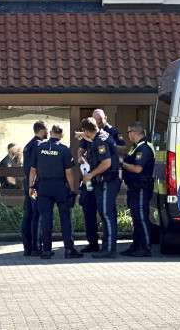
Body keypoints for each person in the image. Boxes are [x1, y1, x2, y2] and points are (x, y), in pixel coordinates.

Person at [27, 124, 81, 259]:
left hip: (44, 187)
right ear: (62, 135)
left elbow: (33, 170)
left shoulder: (39, 148)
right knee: (65, 218)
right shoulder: (64, 150)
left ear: (50, 133)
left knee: (46, 218)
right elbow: (69, 173)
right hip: (60, 186)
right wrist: (72, 190)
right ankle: (69, 249)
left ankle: (46, 251)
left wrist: (31, 187)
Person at [77, 108, 126, 253]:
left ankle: (109, 249)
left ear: (86, 131)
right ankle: (102, 246)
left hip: (107, 180)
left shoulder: (101, 140)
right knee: (99, 211)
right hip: (100, 181)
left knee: (106, 213)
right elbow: (82, 149)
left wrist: (90, 175)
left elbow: (107, 163)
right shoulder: (97, 137)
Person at [118, 121, 156, 257]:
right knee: (136, 217)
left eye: (129, 132)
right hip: (134, 188)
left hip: (141, 187)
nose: (128, 134)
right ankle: (136, 245)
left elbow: (137, 168)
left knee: (141, 217)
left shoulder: (144, 148)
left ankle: (145, 247)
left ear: (134, 132)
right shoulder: (136, 147)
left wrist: (122, 163)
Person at [21, 121, 48, 256]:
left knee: (28, 215)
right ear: (42, 131)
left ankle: (27, 246)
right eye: (47, 130)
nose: (48, 132)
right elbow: (36, 167)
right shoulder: (38, 145)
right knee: (36, 215)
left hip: (27, 182)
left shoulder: (28, 145)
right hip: (35, 183)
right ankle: (36, 247)